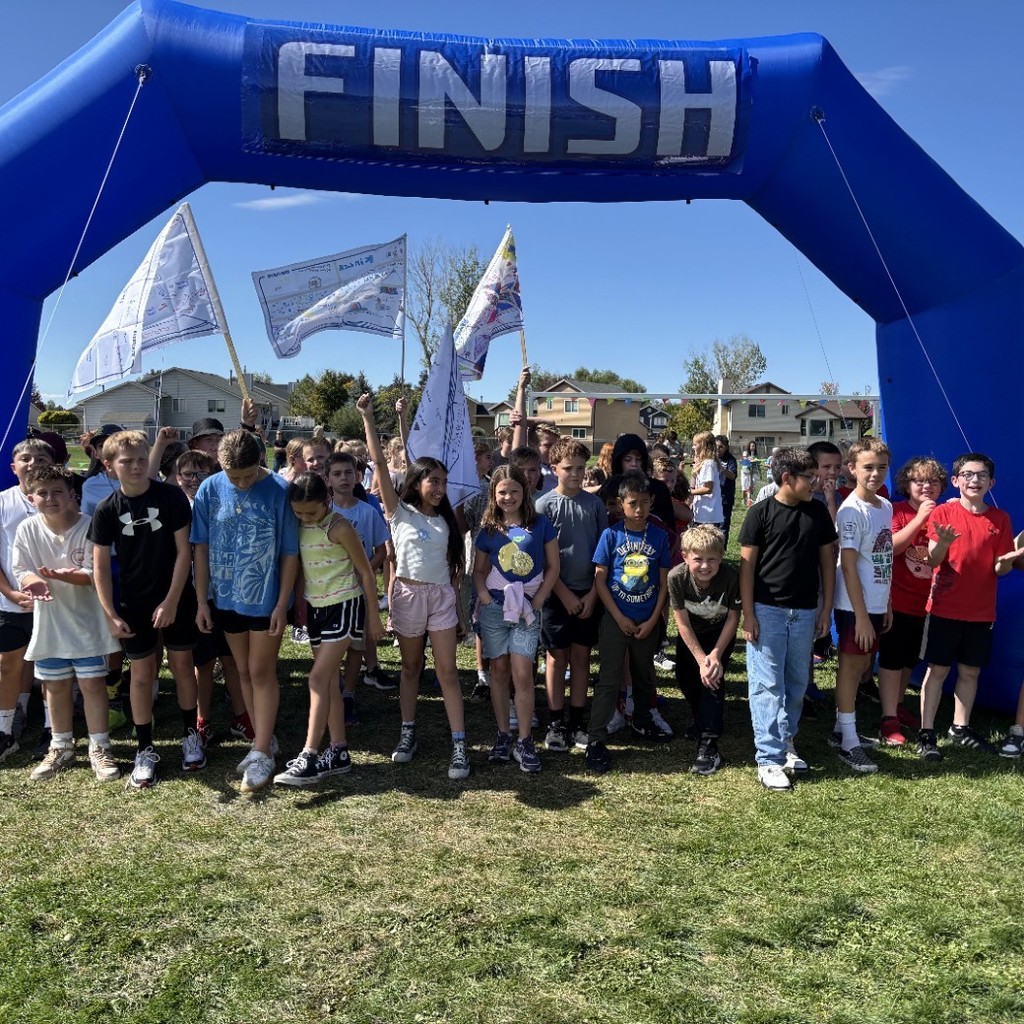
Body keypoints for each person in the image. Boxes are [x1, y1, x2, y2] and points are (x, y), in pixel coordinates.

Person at [356, 393, 471, 780]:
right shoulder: (398, 512)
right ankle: (408, 734)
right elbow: (381, 462)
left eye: (443, 482)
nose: (440, 488)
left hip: (439, 598)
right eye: (433, 481)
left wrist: (455, 607)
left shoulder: (446, 520)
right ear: (417, 482)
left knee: (447, 672)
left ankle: (459, 744)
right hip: (406, 595)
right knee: (410, 667)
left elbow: (453, 568)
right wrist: (370, 418)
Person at [90, 430, 201, 789]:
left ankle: (190, 736)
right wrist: (111, 613)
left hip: (177, 596)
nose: (137, 466)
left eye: (142, 459)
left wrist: (171, 600)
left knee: (183, 666)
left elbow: (185, 552)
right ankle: (145, 749)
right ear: (109, 466)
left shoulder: (170, 497)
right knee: (140, 675)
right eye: (127, 461)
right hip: (134, 604)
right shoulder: (107, 510)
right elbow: (100, 568)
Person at [191, 430, 299, 793]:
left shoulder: (280, 491)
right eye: (233, 476)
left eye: (248, 475)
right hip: (225, 599)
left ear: (262, 461)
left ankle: (260, 751)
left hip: (266, 599)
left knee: (261, 670)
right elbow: (201, 548)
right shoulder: (209, 489)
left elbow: (289, 553)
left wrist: (283, 603)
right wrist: (202, 599)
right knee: (242, 672)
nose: (241, 482)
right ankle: (262, 742)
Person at [13, 465, 121, 782]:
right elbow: (21, 568)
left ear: (72, 494)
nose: (51, 498)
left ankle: (100, 748)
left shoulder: (90, 526)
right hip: (49, 624)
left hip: (88, 624)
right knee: (55, 687)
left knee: (92, 685)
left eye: (58, 491)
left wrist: (66, 576)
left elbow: (95, 573)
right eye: (43, 493)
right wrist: (34, 582)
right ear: (32, 497)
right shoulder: (27, 530)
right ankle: (60, 747)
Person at [273, 472, 381, 786]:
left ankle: (308, 755)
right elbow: (300, 569)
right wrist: (299, 605)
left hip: (345, 605)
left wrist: (373, 616)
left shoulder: (340, 526)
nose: (304, 517)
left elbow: (366, 571)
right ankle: (339, 751)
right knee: (328, 682)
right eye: (298, 512)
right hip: (317, 609)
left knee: (318, 678)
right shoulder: (299, 526)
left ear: (327, 501)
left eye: (311, 512)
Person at [739, 447, 837, 790]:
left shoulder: (819, 513)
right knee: (767, 685)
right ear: (786, 478)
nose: (816, 482)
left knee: (797, 684)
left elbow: (828, 561)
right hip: (767, 611)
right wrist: (749, 614)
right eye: (808, 477)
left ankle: (785, 742)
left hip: (806, 610)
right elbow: (747, 566)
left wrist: (825, 610)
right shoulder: (760, 513)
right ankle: (768, 758)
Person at [916, 453, 1015, 760]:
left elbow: (1000, 571)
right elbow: (932, 559)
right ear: (956, 481)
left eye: (982, 475)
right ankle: (926, 733)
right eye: (968, 475)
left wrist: (1006, 562)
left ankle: (960, 728)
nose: (975, 480)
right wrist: (944, 542)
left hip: (982, 612)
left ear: (991, 482)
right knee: (938, 670)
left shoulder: (1000, 519)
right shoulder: (943, 513)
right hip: (944, 608)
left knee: (971, 671)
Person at [473, 465, 559, 772]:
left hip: (526, 610)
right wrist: (484, 597)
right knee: (498, 670)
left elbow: (553, 567)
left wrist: (538, 599)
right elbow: (479, 571)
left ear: (525, 492)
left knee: (522, 673)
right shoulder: (489, 529)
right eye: (502, 492)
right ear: (493, 496)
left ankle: (525, 739)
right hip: (495, 610)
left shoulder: (541, 525)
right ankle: (503, 734)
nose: (508, 497)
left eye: (514, 491)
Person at [587, 471, 672, 773]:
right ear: (620, 504)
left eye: (645, 503)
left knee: (643, 676)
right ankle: (596, 739)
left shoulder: (660, 536)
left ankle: (644, 722)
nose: (639, 509)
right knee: (609, 679)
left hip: (646, 619)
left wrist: (653, 621)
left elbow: (664, 585)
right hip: (616, 619)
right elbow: (600, 580)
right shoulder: (611, 535)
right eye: (632, 503)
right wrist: (618, 616)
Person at [536, 437, 608, 753]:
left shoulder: (595, 506)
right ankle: (555, 723)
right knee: (556, 657)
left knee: (581, 657)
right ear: (554, 469)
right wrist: (562, 592)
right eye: (569, 468)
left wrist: (594, 594)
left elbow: (604, 554)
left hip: (589, 593)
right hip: (555, 593)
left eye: (581, 468)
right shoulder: (543, 506)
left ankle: (577, 723)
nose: (576, 474)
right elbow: (540, 559)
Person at [830, 438, 893, 774]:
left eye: (881, 466)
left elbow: (882, 558)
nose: (875, 473)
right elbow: (850, 566)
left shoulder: (885, 506)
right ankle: (849, 743)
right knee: (851, 667)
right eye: (868, 467)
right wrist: (862, 617)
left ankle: (843, 728)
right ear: (851, 469)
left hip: (877, 602)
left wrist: (888, 602)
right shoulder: (851, 511)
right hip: (855, 606)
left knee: (863, 664)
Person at [875, 457, 945, 746]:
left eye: (932, 481)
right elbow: (892, 548)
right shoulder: (897, 511)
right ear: (907, 485)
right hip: (898, 601)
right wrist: (920, 519)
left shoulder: (946, 514)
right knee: (892, 659)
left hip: (929, 604)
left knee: (909, 659)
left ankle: (899, 705)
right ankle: (888, 718)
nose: (926, 486)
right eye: (920, 481)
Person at [325, 450, 394, 725]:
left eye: (348, 473)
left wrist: (365, 566)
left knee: (356, 646)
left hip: (359, 593)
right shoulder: (322, 512)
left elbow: (382, 551)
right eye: (337, 474)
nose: (343, 478)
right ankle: (330, 694)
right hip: (328, 593)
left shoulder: (368, 511)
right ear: (327, 479)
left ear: (357, 477)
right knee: (330, 648)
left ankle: (348, 695)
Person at [668, 525, 740, 776]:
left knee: (712, 680)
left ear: (721, 557)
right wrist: (700, 657)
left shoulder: (731, 577)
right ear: (685, 557)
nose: (705, 566)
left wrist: (715, 656)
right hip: (692, 636)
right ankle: (702, 719)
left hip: (720, 635)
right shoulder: (676, 577)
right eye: (698, 559)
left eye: (712, 559)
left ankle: (709, 744)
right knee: (686, 679)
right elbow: (681, 622)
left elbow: (733, 618)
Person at [0, 438, 55, 760]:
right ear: (13, 467)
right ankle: (6, 731)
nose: (33, 463)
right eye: (25, 458)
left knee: (50, 668)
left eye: (40, 457)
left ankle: (52, 729)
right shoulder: (3, 502)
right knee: (8, 665)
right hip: (11, 602)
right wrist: (9, 592)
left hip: (53, 602)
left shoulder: (59, 500)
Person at [690, 431, 724, 530]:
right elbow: (695, 483)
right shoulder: (705, 463)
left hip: (708, 515)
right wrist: (694, 471)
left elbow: (708, 488)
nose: (693, 447)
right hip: (703, 514)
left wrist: (690, 492)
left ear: (703, 445)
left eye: (695, 445)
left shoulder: (708, 464)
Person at [715, 435, 738, 545]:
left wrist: (722, 469)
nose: (718, 449)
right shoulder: (711, 459)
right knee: (712, 525)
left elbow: (733, 476)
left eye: (721, 447)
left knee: (723, 526)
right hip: (713, 497)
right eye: (716, 446)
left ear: (726, 447)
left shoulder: (731, 460)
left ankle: (721, 553)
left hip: (725, 497)